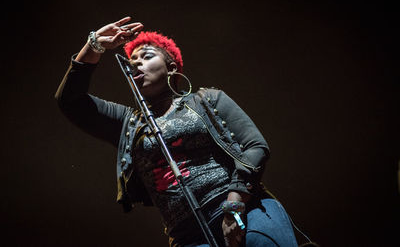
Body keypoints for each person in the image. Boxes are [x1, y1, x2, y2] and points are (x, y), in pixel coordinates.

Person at [55, 16, 299, 247]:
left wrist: (233, 205)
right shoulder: (128, 122)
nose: (136, 63)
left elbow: (255, 146)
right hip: (187, 234)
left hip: (245, 208)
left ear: (171, 67)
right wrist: (94, 45)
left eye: (147, 56)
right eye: (132, 62)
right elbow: (70, 100)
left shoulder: (207, 100)